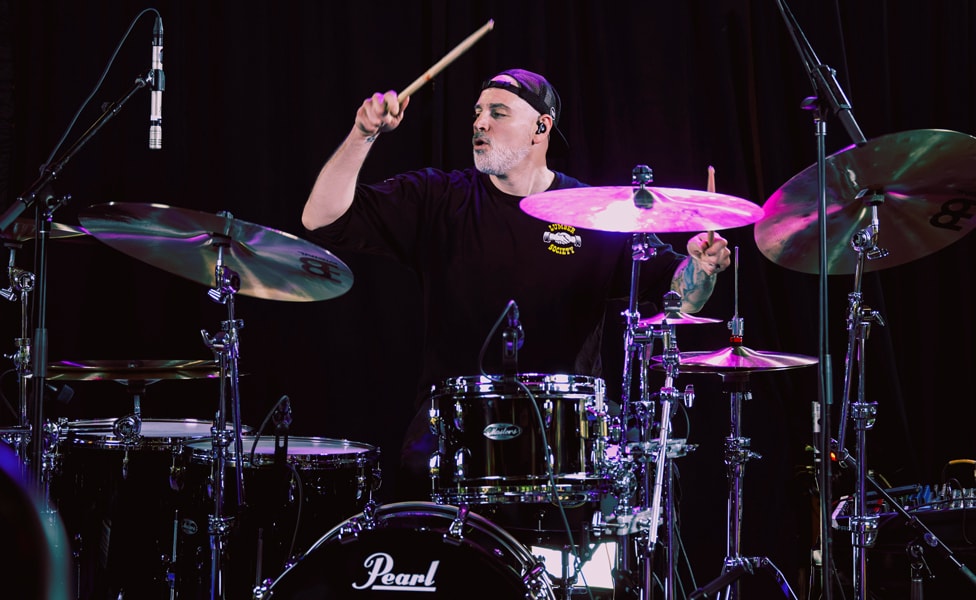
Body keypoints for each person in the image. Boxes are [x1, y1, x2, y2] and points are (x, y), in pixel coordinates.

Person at [302, 68, 731, 502]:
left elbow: (683, 296)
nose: (480, 123)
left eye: (498, 112)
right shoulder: (439, 198)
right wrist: (362, 134)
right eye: (477, 112)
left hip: (566, 446)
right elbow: (321, 218)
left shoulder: (593, 215)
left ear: (540, 128)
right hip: (454, 442)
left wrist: (703, 267)